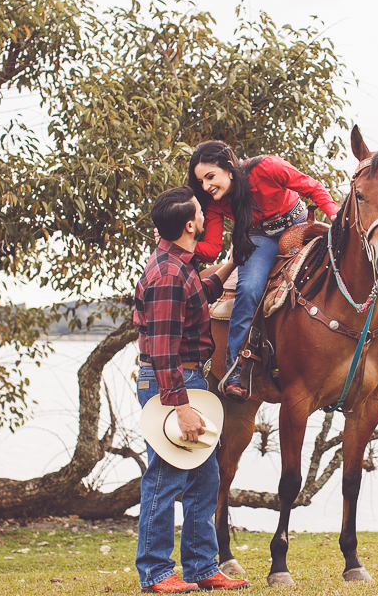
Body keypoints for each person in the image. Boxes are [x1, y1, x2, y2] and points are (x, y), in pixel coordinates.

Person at [134, 186, 249, 593]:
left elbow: (201, 295)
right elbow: (163, 349)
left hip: (186, 380)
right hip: (172, 383)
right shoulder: (167, 274)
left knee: (204, 477)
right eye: (201, 212)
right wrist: (179, 406)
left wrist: (234, 261)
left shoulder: (178, 264)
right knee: (165, 477)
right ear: (189, 225)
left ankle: (202, 567)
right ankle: (156, 573)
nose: (206, 216)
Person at [186, 141, 339, 401]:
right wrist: (177, 247)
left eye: (210, 177)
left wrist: (333, 213)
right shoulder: (214, 202)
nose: (206, 186)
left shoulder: (268, 168)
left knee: (348, 260)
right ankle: (236, 367)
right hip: (260, 238)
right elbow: (212, 249)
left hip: (299, 223)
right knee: (249, 288)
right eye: (201, 181)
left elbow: (312, 188)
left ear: (229, 168)